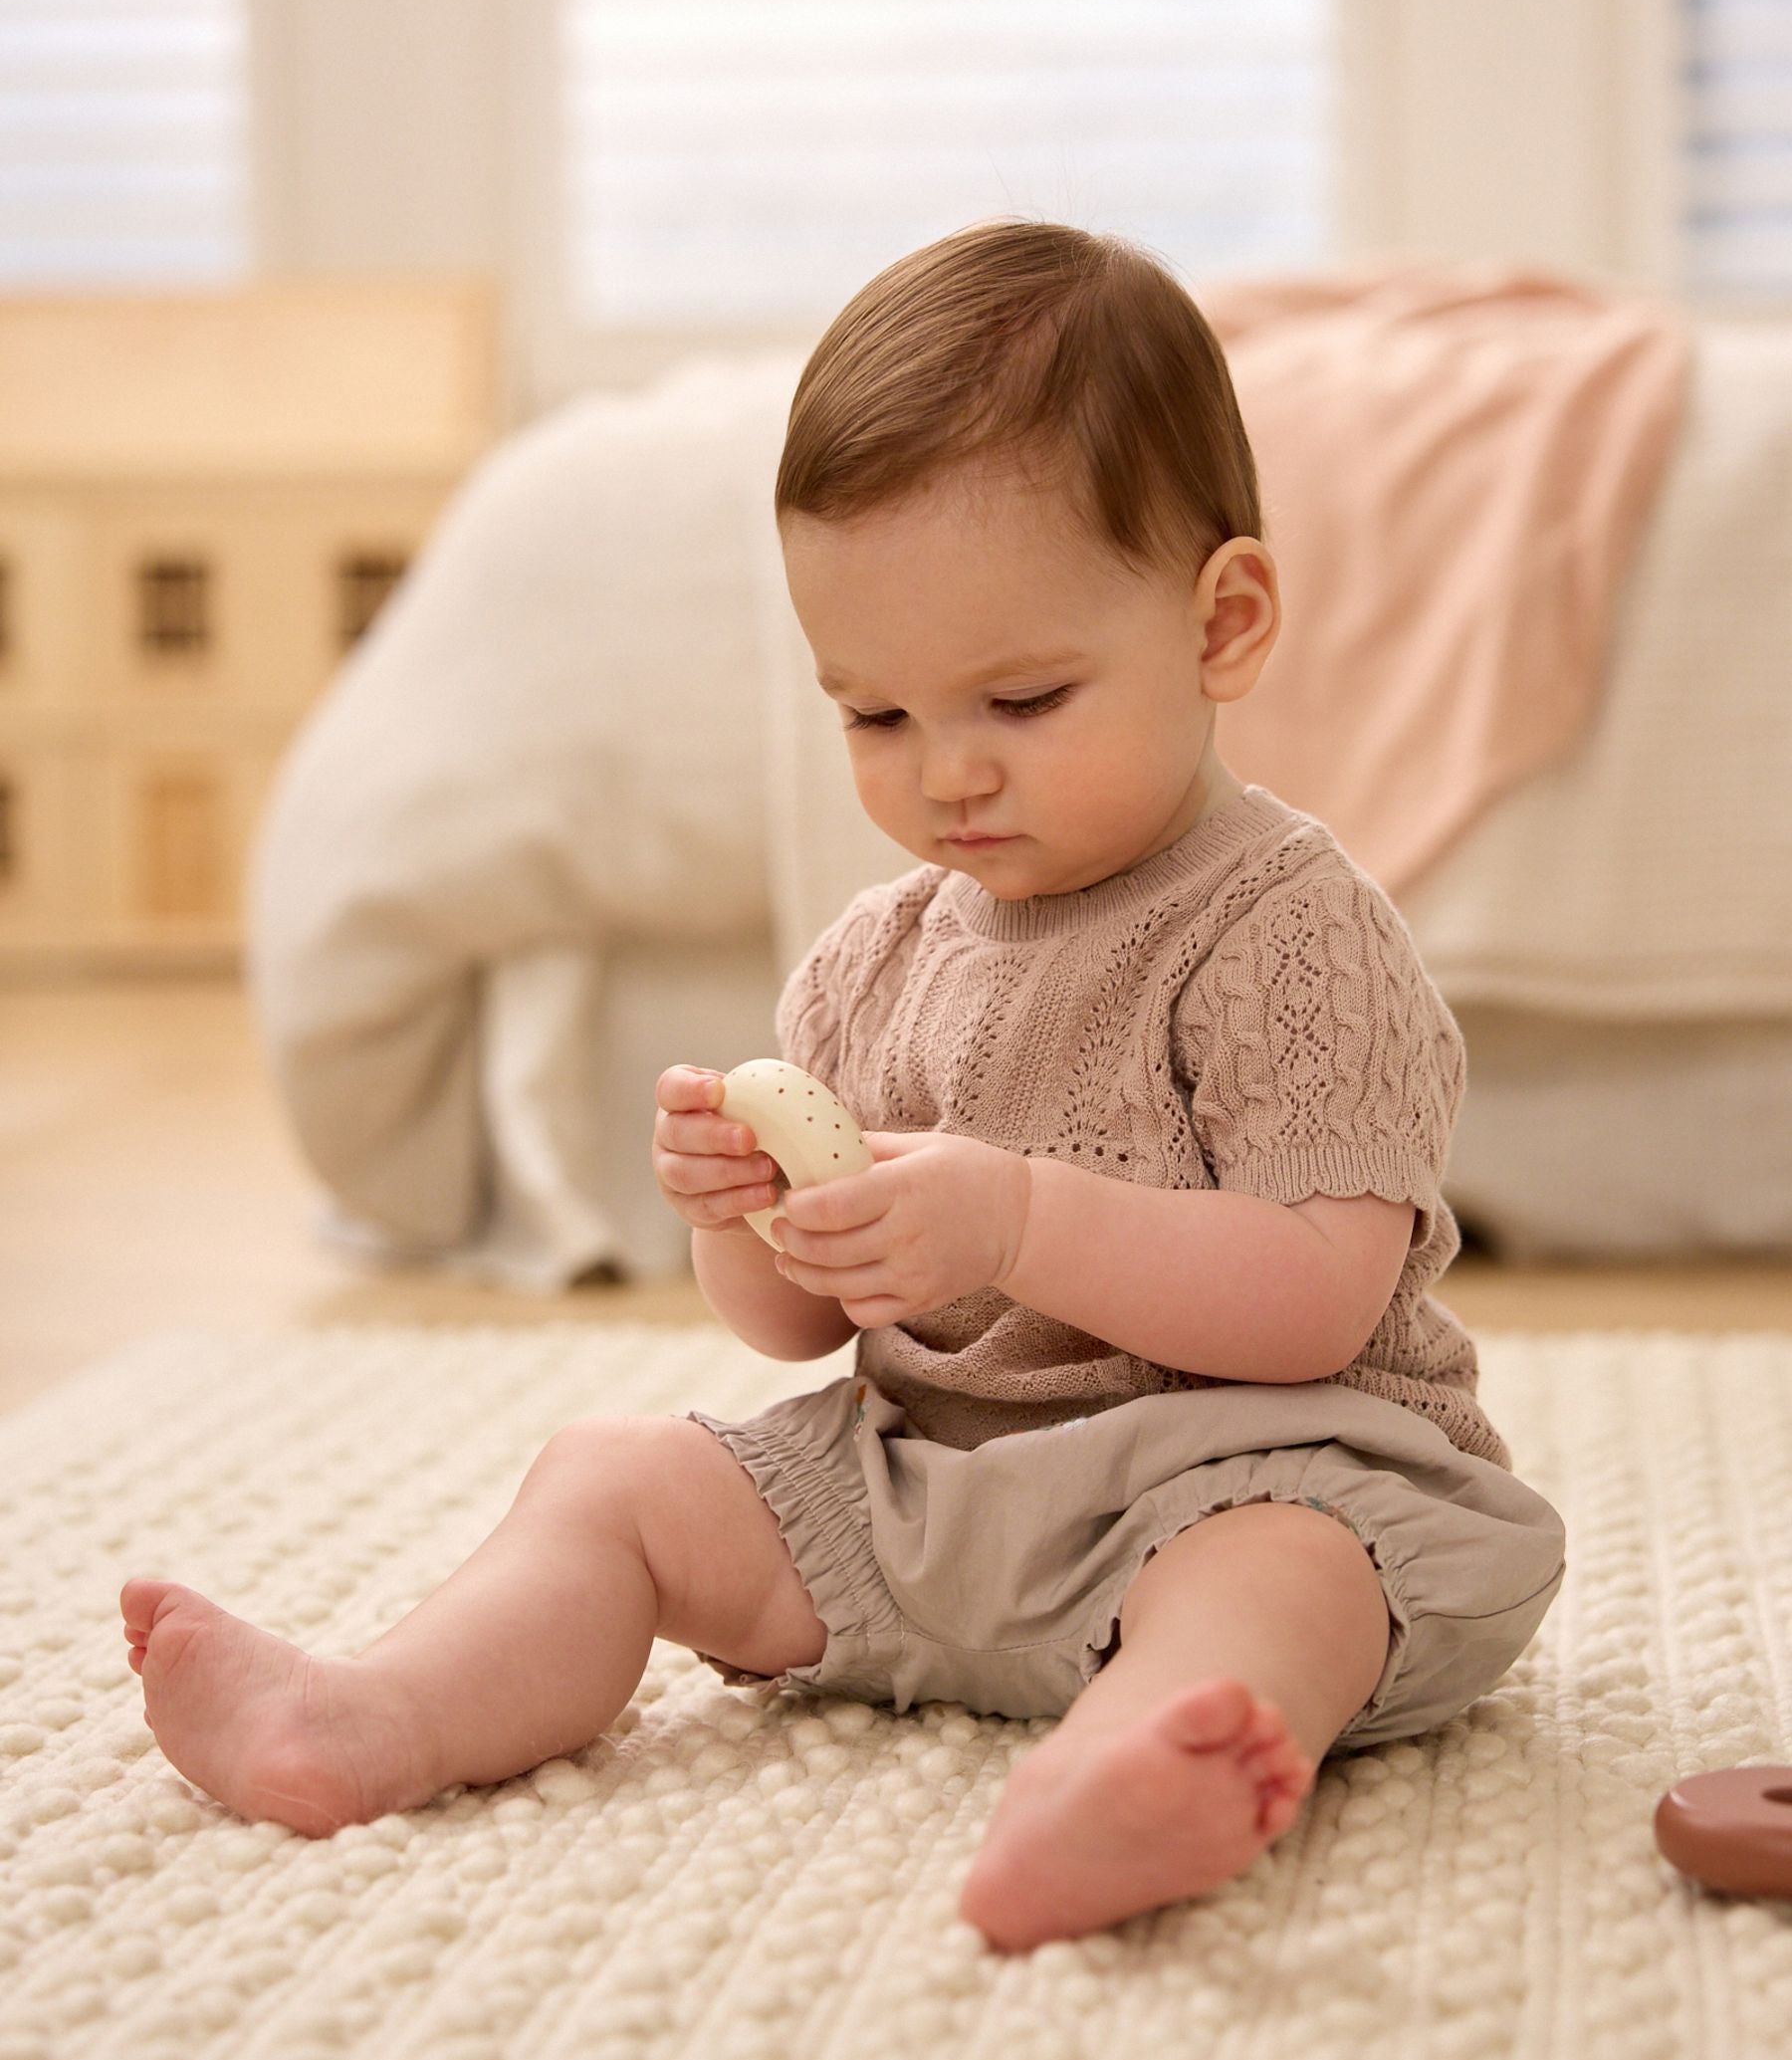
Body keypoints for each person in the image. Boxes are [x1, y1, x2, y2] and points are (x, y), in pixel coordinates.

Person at [119, 218, 1567, 1952]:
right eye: (873, 715)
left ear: (1223, 624)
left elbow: (1322, 1301)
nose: (946, 771)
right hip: (926, 1496)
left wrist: (1016, 1218)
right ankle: (370, 1718)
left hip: (1246, 1468)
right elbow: (795, 1336)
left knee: (1280, 1584)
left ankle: (1119, 1783)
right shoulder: (873, 958)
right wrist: (747, 1216)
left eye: (1022, 698)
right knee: (614, 1471)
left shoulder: (1289, 931)